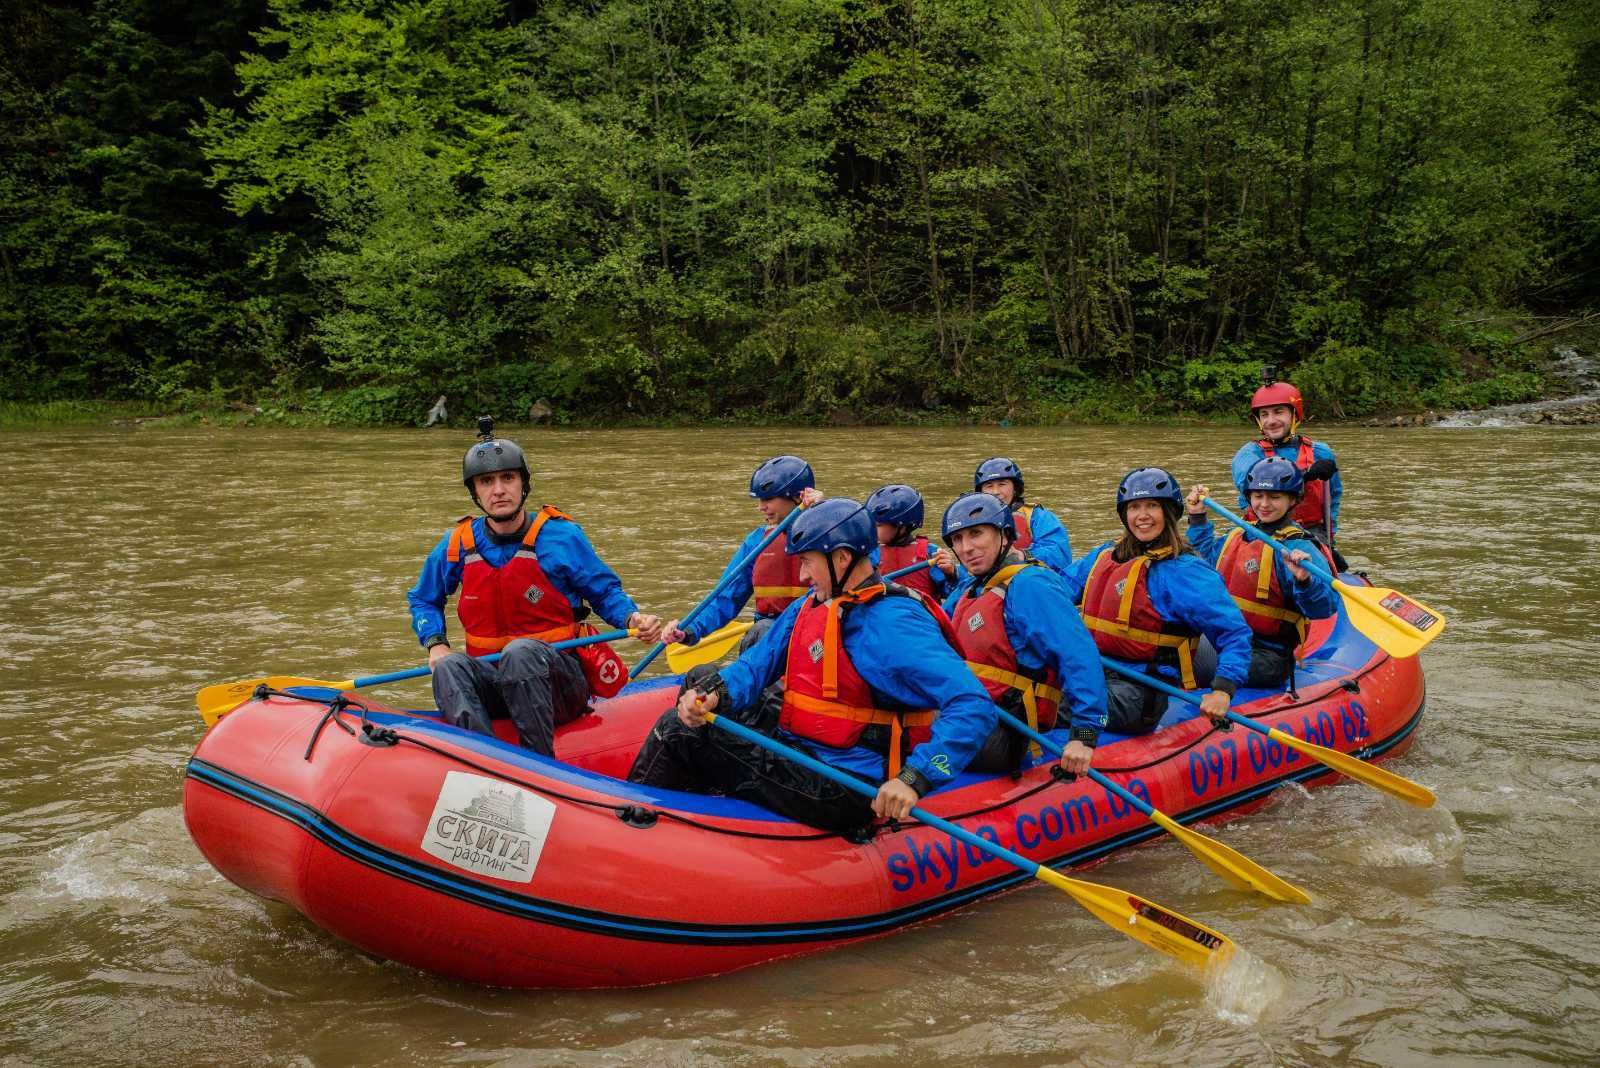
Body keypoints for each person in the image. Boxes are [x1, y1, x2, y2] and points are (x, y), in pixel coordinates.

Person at [628, 498, 1001, 833]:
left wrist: (915, 778)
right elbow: (755, 667)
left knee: (676, 730)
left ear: (841, 559)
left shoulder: (894, 625)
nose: (803, 576)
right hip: (807, 749)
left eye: (807, 562)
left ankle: (634, 828)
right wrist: (715, 695)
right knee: (701, 680)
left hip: (845, 784)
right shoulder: (817, 601)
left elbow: (973, 705)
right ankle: (695, 807)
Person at [407, 423, 663, 755]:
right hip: (495, 681)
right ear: (475, 492)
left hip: (558, 682)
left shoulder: (562, 536)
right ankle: (481, 759)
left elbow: (604, 593)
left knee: (520, 652)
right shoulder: (456, 544)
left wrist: (632, 618)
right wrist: (435, 644)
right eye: (487, 482)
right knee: (448, 666)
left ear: (523, 485)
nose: (498, 490)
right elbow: (423, 599)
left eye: (507, 479)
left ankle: (538, 763)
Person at [1060, 468, 1253, 736]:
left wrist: (1223, 689)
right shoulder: (1104, 556)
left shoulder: (1186, 572)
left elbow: (1233, 633)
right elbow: (1057, 592)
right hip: (1095, 673)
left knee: (1056, 705)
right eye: (1135, 507)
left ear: (1169, 512)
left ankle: (1078, 743)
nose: (1142, 516)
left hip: (1139, 697)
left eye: (1152, 506)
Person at [939, 492, 1108, 776]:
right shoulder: (973, 587)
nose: (966, 548)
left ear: (1005, 536)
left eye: (976, 534)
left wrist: (1084, 735)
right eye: (957, 539)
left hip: (1009, 731)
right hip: (974, 712)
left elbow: (1078, 656)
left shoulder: (1031, 585)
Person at [1185, 458, 1339, 689]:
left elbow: (1324, 607)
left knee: (1216, 670)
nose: (1264, 504)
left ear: (1293, 500)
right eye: (1258, 496)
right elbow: (1208, 553)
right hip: (1227, 638)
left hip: (1268, 655)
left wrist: (1304, 581)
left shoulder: (1300, 548)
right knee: (1172, 657)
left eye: (1274, 497)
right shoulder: (1239, 534)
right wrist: (1197, 517)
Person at [661, 455, 823, 654]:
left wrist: (818, 513)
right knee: (760, 633)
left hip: (818, 633)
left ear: (799, 497)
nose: (761, 507)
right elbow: (724, 598)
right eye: (761, 500)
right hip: (770, 635)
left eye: (769, 499)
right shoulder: (756, 543)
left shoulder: (830, 531)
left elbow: (866, 568)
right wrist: (688, 630)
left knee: (764, 631)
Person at [1231, 381, 1342, 546]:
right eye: (1264, 414)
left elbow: (1333, 500)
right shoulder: (1248, 454)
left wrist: (1329, 541)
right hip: (1263, 532)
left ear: (1294, 415)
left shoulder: (1320, 452)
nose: (1271, 420)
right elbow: (1251, 483)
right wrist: (1305, 475)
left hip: (1310, 533)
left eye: (1278, 412)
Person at [971, 457, 1072, 575]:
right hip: (991, 586)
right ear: (981, 492)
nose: (995, 491)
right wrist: (953, 573)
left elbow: (1059, 555)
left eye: (1002, 484)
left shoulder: (1038, 517)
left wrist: (1022, 555)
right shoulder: (973, 522)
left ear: (1015, 489)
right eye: (989, 486)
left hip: (1033, 579)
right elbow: (968, 571)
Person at [865, 483, 949, 600]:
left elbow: (951, 592)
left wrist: (952, 575)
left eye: (878, 525)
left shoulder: (931, 553)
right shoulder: (871, 554)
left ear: (902, 526)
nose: (872, 530)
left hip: (919, 615)